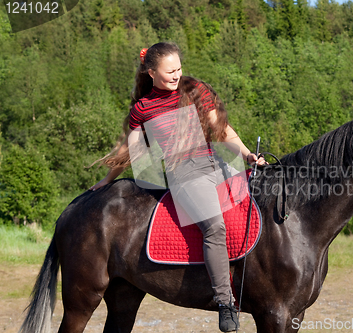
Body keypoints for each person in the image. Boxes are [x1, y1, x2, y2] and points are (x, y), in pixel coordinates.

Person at [90, 42, 266, 332]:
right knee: (215, 227)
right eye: (170, 71)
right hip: (185, 175)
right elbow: (127, 151)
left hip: (218, 163)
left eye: (179, 68)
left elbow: (222, 130)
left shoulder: (194, 89)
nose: (176, 75)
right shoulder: (143, 109)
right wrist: (108, 180)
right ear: (150, 72)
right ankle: (225, 302)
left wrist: (247, 154)